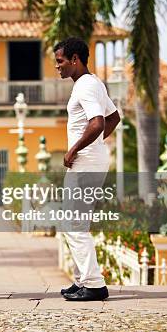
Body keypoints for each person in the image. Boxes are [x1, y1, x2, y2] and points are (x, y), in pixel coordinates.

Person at [54, 37, 120, 301]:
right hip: (91, 159)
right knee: (72, 221)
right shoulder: (93, 83)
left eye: (60, 61)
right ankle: (82, 280)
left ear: (74, 59)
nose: (57, 66)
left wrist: (75, 149)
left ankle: (93, 284)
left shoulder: (85, 86)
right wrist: (93, 148)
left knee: (73, 223)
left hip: (85, 163)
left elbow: (98, 122)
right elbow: (114, 118)